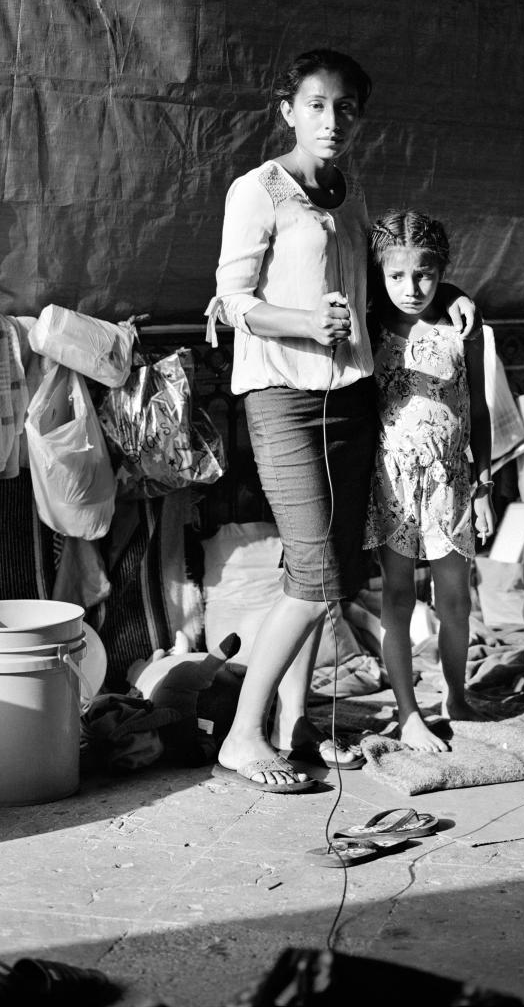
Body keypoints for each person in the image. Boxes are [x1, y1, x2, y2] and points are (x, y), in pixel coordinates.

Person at [205, 49, 476, 791]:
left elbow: (380, 285)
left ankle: (295, 723)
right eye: (316, 106)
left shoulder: (347, 194)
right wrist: (301, 320)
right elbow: (233, 301)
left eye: (345, 108)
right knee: (318, 575)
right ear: (287, 110)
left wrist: (445, 292)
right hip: (285, 401)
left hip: (352, 403)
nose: (331, 121)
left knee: (320, 569)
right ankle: (242, 735)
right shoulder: (256, 191)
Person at [364, 212, 495, 752]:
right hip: (392, 481)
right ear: (380, 276)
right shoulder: (370, 323)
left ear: (442, 272)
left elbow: (480, 409)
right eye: (396, 276)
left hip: (453, 480)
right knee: (396, 597)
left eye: (424, 274)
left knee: (456, 599)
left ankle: (456, 695)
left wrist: (484, 486)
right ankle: (407, 709)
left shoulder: (464, 328)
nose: (410, 288)